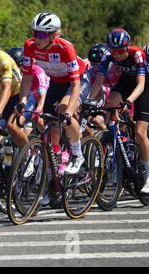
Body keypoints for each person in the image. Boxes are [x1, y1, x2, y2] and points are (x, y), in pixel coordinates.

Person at [20, 12, 89, 175]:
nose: (37, 38)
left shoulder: (65, 48)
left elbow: (75, 84)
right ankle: (54, 172)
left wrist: (69, 112)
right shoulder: (29, 46)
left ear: (53, 35)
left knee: (64, 111)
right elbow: (26, 79)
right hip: (57, 82)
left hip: (78, 79)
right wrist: (22, 103)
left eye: (42, 34)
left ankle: (78, 155)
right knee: (48, 124)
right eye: (34, 33)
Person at [99, 29, 149, 194]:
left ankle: (148, 175)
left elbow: (140, 85)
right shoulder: (108, 56)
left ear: (127, 48)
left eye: (120, 51)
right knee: (110, 102)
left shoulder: (137, 54)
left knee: (140, 132)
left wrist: (128, 101)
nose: (117, 55)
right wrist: (87, 101)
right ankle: (117, 141)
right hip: (126, 82)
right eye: (114, 51)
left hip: (143, 85)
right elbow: (99, 80)